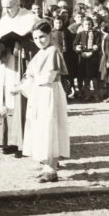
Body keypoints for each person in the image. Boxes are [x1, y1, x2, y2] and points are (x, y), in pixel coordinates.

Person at [0, 0, 39, 156]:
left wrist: (22, 43)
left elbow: (38, 40)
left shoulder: (30, 18)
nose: (5, 11)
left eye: (9, 7)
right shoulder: (3, 20)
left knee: (19, 99)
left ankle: (22, 142)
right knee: (3, 99)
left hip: (20, 65)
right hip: (3, 65)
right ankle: (6, 140)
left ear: (18, 4)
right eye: (4, 7)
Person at [14, 20, 70, 183]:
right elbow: (32, 74)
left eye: (42, 37)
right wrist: (23, 84)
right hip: (40, 93)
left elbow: (49, 77)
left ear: (50, 35)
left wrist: (24, 85)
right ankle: (46, 165)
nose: (39, 41)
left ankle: (52, 169)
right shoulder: (42, 52)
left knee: (50, 127)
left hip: (50, 91)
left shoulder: (53, 51)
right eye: (36, 38)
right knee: (42, 128)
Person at [73, 17, 100, 102]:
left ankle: (96, 94)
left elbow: (98, 44)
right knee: (86, 77)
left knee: (94, 77)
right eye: (85, 24)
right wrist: (80, 51)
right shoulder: (80, 34)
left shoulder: (96, 33)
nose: (87, 26)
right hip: (83, 58)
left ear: (92, 24)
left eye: (89, 24)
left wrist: (92, 52)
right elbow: (74, 45)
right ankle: (87, 94)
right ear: (82, 25)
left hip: (93, 58)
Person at [51, 15, 76, 96]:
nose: (58, 24)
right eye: (56, 23)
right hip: (55, 56)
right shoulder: (51, 32)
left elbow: (71, 43)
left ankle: (66, 93)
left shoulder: (66, 31)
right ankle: (57, 94)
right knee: (57, 76)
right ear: (53, 23)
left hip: (66, 57)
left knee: (65, 76)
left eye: (60, 23)